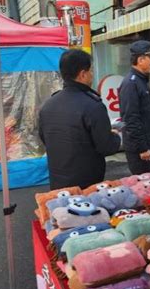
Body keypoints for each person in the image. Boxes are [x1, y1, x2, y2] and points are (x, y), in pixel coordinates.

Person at [39, 49, 121, 189]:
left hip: (57, 180)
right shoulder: (93, 105)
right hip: (86, 183)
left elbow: (44, 137)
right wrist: (115, 136)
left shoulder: (48, 105)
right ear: (83, 74)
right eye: (91, 71)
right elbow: (106, 146)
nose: (92, 75)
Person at [119, 40, 150, 175]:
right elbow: (131, 119)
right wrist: (142, 148)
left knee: (149, 182)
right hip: (140, 149)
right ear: (141, 60)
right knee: (143, 186)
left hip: (147, 145)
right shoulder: (131, 83)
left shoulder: (140, 81)